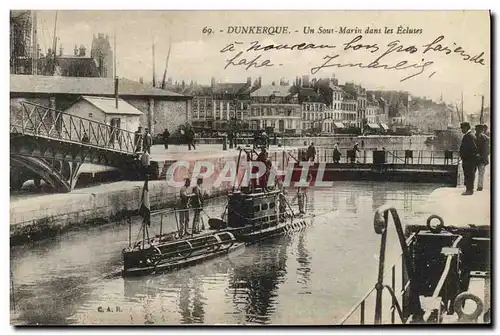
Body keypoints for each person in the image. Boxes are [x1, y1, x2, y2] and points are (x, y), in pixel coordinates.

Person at [459, 122, 479, 195]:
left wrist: (466, 157)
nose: (461, 130)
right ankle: (469, 189)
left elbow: (473, 148)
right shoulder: (470, 135)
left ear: (466, 127)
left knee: (469, 174)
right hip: (469, 160)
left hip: (469, 160)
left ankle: (469, 190)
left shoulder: (469, 136)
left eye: (462, 128)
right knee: (469, 174)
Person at [475, 124, 490, 191]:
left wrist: (480, 155)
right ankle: (478, 186)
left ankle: (479, 186)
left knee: (480, 172)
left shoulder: (485, 138)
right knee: (480, 173)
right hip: (478, 158)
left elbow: (487, 150)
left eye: (478, 130)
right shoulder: (485, 138)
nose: (477, 131)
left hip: (481, 159)